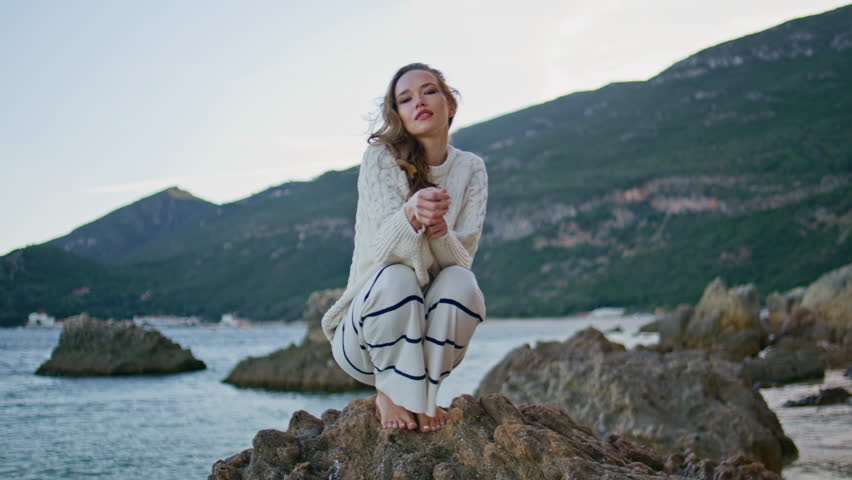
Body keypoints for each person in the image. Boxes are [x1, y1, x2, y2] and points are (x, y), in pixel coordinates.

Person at [321, 63, 488, 433]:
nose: (419, 102)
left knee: (462, 282)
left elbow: (461, 261)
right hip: (364, 338)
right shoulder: (381, 158)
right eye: (405, 98)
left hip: (427, 339)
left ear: (450, 104)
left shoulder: (471, 169)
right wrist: (410, 214)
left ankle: (425, 394)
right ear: (398, 115)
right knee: (397, 276)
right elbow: (382, 251)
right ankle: (390, 391)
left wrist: (441, 232)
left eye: (429, 91)